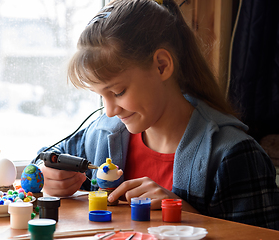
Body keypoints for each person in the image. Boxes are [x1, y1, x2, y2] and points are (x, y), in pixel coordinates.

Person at [32, 0, 279, 230]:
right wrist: (46, 178)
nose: (109, 111)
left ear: (162, 65)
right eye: (101, 95)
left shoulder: (232, 156)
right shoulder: (101, 135)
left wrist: (185, 216)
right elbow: (43, 160)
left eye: (118, 91)